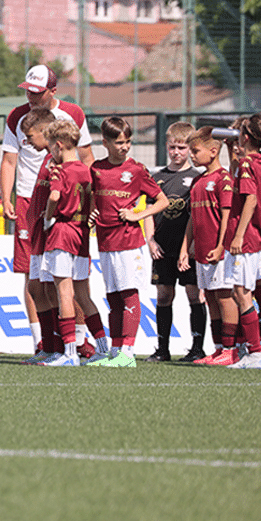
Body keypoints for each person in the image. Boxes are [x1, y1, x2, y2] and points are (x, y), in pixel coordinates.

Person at [0, 64, 94, 352]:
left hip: (66, 202)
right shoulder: (17, 116)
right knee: (33, 276)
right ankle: (41, 343)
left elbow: (88, 158)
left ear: (53, 91)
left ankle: (79, 340)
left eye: (37, 93)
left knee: (70, 276)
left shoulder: (73, 114)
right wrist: (6, 196)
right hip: (29, 199)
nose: (31, 97)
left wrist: (88, 201)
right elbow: (9, 160)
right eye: (28, 90)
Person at [88, 117, 169, 367]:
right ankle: (115, 352)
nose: (125, 147)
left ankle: (128, 353)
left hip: (129, 242)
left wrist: (137, 215)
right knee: (113, 298)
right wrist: (91, 212)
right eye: (119, 142)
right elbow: (93, 199)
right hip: (105, 242)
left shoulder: (136, 170)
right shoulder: (96, 169)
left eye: (128, 142)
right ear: (105, 143)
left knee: (129, 296)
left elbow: (162, 201)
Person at [223, 114, 261, 369]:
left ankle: (255, 353)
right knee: (260, 289)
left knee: (241, 292)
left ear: (245, 137)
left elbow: (249, 199)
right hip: (259, 238)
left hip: (246, 238)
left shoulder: (249, 163)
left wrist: (238, 235)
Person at [145, 120, 207, 362]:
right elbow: (149, 210)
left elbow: (198, 216)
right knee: (163, 296)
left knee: (194, 295)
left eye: (182, 148)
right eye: (172, 147)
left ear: (190, 149)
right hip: (162, 247)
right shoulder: (156, 177)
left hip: (189, 249)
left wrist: (192, 245)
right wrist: (150, 240)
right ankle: (162, 349)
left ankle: (197, 348)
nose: (176, 152)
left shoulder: (197, 178)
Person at [179, 127, 239, 366]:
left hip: (218, 252)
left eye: (195, 151)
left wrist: (222, 245)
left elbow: (227, 216)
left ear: (213, 151)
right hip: (202, 253)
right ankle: (218, 348)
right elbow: (193, 218)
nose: (191, 156)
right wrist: (186, 247)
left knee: (225, 298)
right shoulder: (197, 181)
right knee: (211, 299)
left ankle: (231, 349)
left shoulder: (223, 179)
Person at [38, 120, 95, 366]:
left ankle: (70, 353)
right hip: (81, 232)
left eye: (51, 146)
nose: (50, 151)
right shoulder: (87, 170)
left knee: (64, 293)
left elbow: (54, 195)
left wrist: (49, 217)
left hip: (62, 230)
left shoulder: (59, 170)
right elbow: (93, 196)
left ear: (59, 146)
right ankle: (102, 347)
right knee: (83, 294)